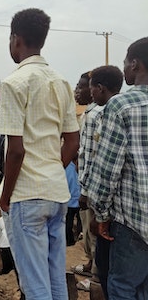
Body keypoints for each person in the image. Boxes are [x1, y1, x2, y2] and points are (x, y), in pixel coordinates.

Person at [0, 8, 79, 299]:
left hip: (27, 196)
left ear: (16, 39)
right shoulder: (61, 81)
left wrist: (6, 196)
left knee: (34, 285)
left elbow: (16, 150)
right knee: (54, 277)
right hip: (57, 193)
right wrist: (52, 169)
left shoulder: (14, 83)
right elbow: (72, 142)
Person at [87, 49, 147, 298]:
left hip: (132, 219)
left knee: (122, 287)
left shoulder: (122, 105)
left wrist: (101, 214)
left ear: (134, 64)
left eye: (125, 63)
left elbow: (108, 168)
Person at [81, 65, 123, 299]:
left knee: (100, 241)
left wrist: (87, 191)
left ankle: (98, 282)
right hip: (112, 197)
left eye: (87, 87)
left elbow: (99, 160)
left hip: (101, 196)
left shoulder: (103, 113)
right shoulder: (96, 111)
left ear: (99, 88)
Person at [72, 71, 101, 290]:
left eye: (81, 87)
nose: (78, 91)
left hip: (90, 186)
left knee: (93, 228)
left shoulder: (95, 115)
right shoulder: (87, 114)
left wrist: (85, 190)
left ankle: (95, 279)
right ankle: (91, 264)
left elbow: (91, 155)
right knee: (86, 227)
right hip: (85, 182)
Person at [65, 160, 81, 247]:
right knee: (68, 225)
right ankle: (70, 243)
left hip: (81, 201)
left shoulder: (83, 163)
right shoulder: (66, 165)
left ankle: (79, 241)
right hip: (69, 202)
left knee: (81, 225)